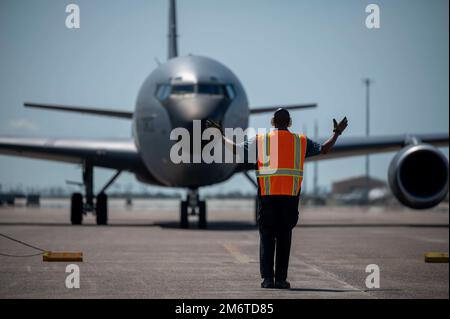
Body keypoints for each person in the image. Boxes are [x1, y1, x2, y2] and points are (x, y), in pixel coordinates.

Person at [207, 108, 348, 289]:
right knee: (284, 238)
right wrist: (337, 133)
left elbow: (236, 150)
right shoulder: (301, 141)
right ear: (290, 122)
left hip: (268, 197)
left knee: (267, 237)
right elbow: (325, 149)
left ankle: (267, 279)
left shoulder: (261, 140)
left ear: (272, 122)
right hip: (289, 198)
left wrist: (219, 136)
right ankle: (281, 280)